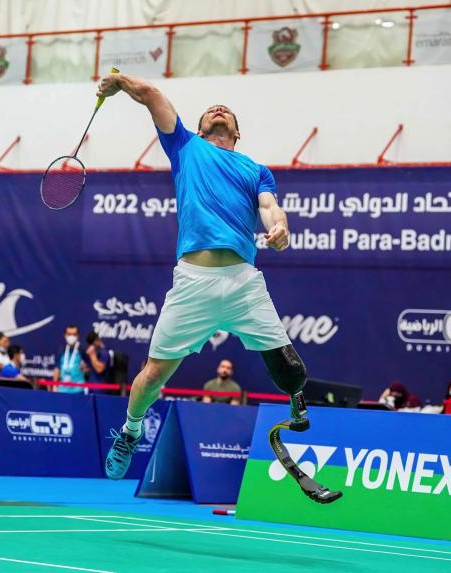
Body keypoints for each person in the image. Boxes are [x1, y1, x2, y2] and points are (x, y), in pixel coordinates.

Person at [97, 73, 309, 483]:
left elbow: (270, 207)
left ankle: (297, 401)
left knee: (292, 369)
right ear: (198, 128)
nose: (219, 110)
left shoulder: (255, 170)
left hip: (244, 284)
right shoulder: (184, 147)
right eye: (212, 109)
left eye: (226, 111)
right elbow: (153, 94)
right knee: (153, 375)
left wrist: (279, 226)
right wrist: (119, 82)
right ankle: (130, 430)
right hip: (193, 283)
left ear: (237, 131)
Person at [53, 325, 88, 393]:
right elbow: (57, 368)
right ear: (65, 335)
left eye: (74, 334)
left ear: (78, 336)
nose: (71, 336)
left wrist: (85, 368)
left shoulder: (83, 350)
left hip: (78, 389)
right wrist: (54, 385)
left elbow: (89, 367)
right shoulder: (62, 350)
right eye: (69, 334)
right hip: (62, 389)